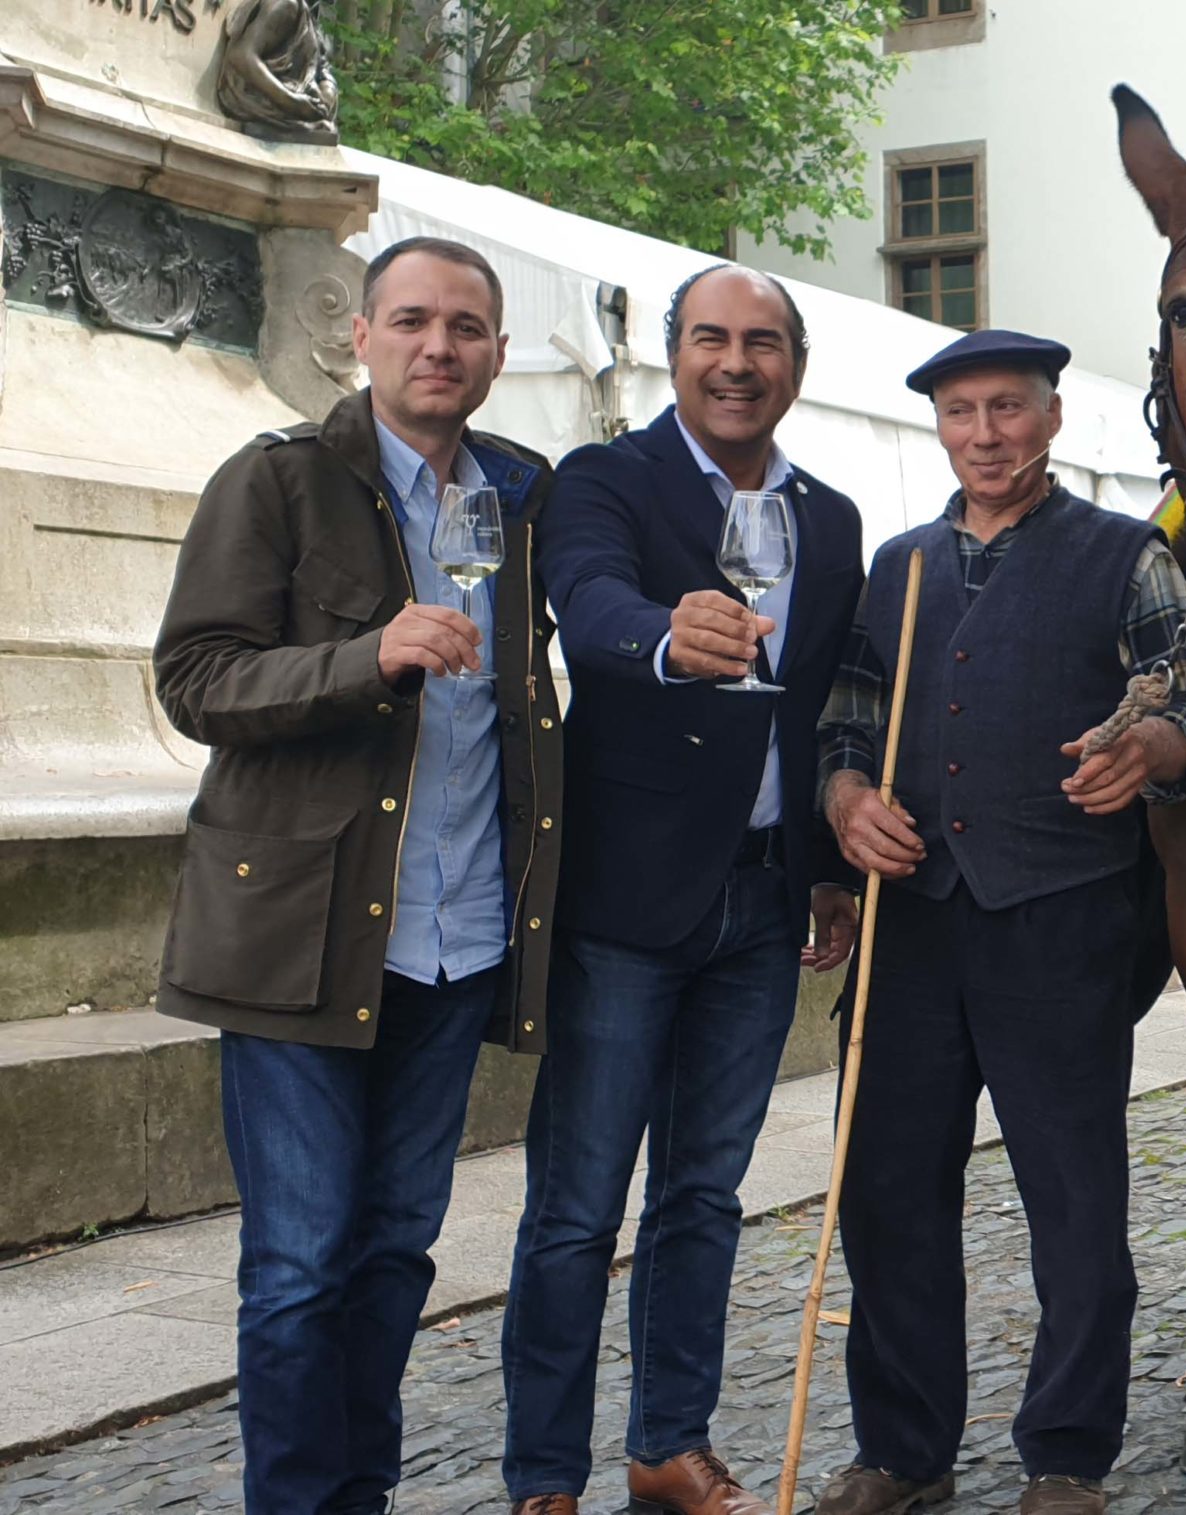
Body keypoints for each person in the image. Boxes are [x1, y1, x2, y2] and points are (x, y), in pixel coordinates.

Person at [152, 235, 559, 1515]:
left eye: (468, 328)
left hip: (463, 933)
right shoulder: (275, 483)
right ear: (362, 338)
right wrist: (365, 656)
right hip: (301, 936)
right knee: (297, 1266)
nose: (440, 346)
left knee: (392, 1253)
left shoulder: (525, 495)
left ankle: (360, 1496)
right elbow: (195, 680)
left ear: (496, 354)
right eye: (415, 322)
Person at [809, 329, 1186, 1515]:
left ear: (1050, 419)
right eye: (962, 415)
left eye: (1007, 410)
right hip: (910, 933)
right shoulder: (893, 568)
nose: (985, 435)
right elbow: (846, 726)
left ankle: (1065, 1453)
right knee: (888, 1193)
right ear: (938, 429)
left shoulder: (1125, 560)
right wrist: (845, 801)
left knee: (1074, 1202)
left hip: (1060, 926)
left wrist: (1151, 746)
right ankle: (901, 1449)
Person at [502, 264, 867, 1515]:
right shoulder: (604, 481)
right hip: (624, 907)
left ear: (795, 366)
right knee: (574, 1207)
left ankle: (667, 1442)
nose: (736, 362)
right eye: (711, 338)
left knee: (703, 1197)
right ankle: (546, 1474)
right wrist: (663, 637)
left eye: (763, 342)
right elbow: (585, 597)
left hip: (763, 911)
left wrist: (822, 873)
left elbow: (819, 710)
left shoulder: (832, 519)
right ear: (674, 353)